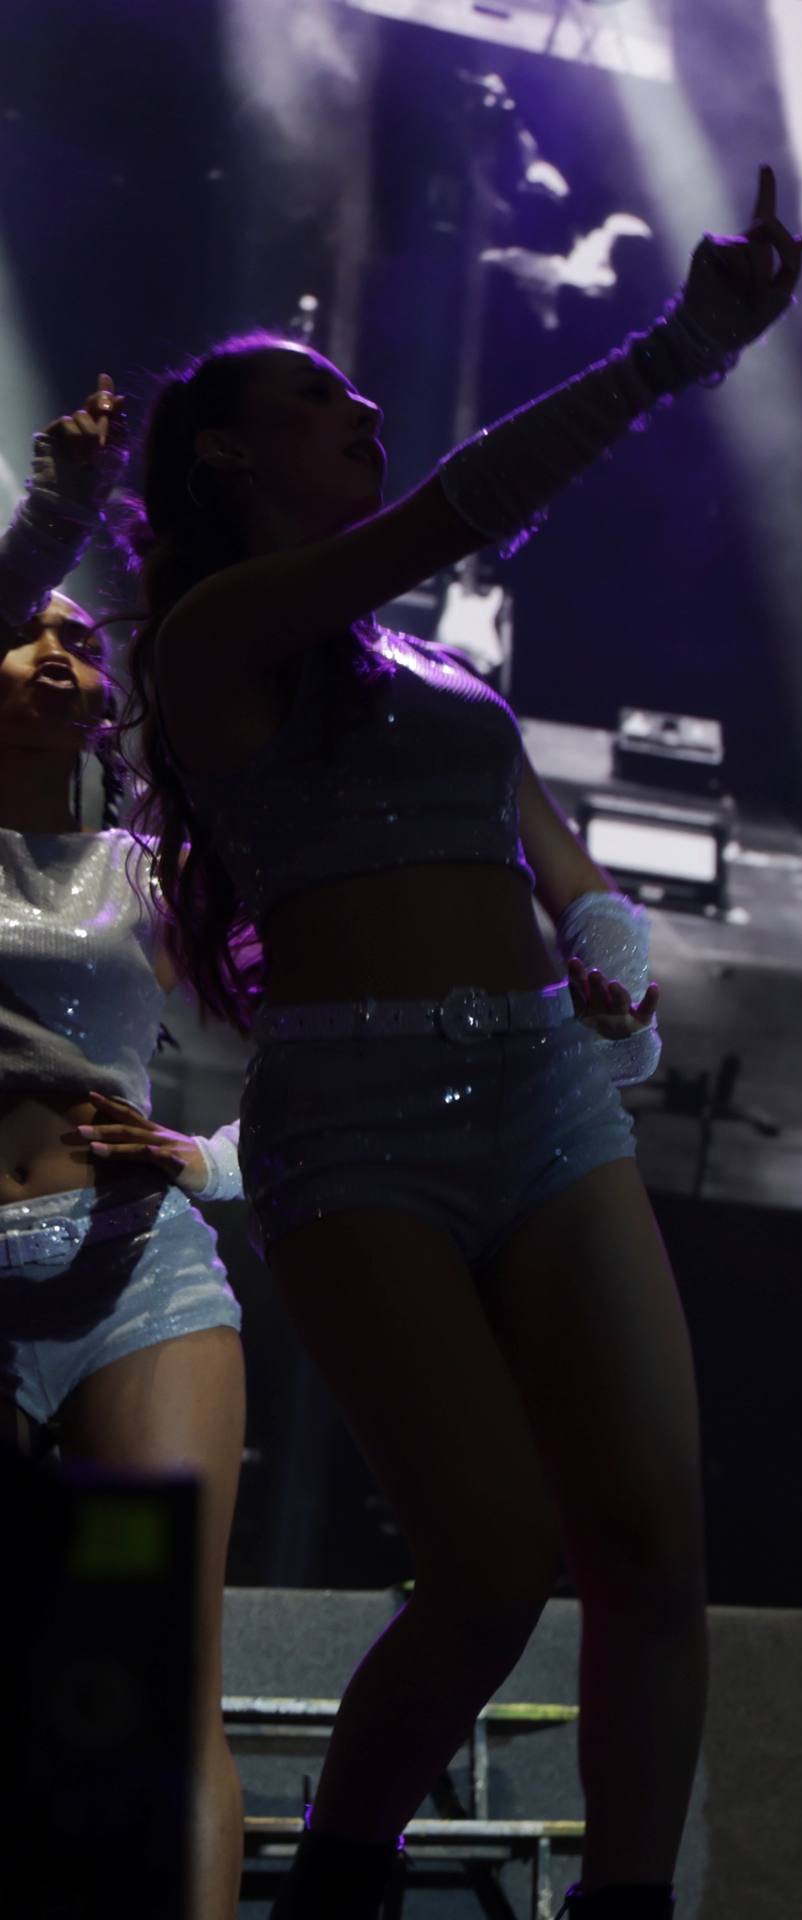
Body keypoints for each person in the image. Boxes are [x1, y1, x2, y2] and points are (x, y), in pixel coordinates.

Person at [123, 172, 802, 1920]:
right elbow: (447, 510)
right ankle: (342, 1879)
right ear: (220, 457)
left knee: (653, 1549)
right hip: (353, 1126)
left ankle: (627, 1910)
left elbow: (546, 850)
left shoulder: (426, 669)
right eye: (312, 400)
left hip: (540, 1092)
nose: (353, 409)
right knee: (492, 1565)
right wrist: (674, 353)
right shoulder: (212, 640)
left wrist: (603, 943)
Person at [1, 379, 253, 1919]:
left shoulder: (158, 868)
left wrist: (209, 1161)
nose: (58, 645)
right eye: (26, 626)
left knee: (163, 1686)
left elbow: (349, 1054)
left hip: (135, 1276)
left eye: (84, 639)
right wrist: (62, 517)